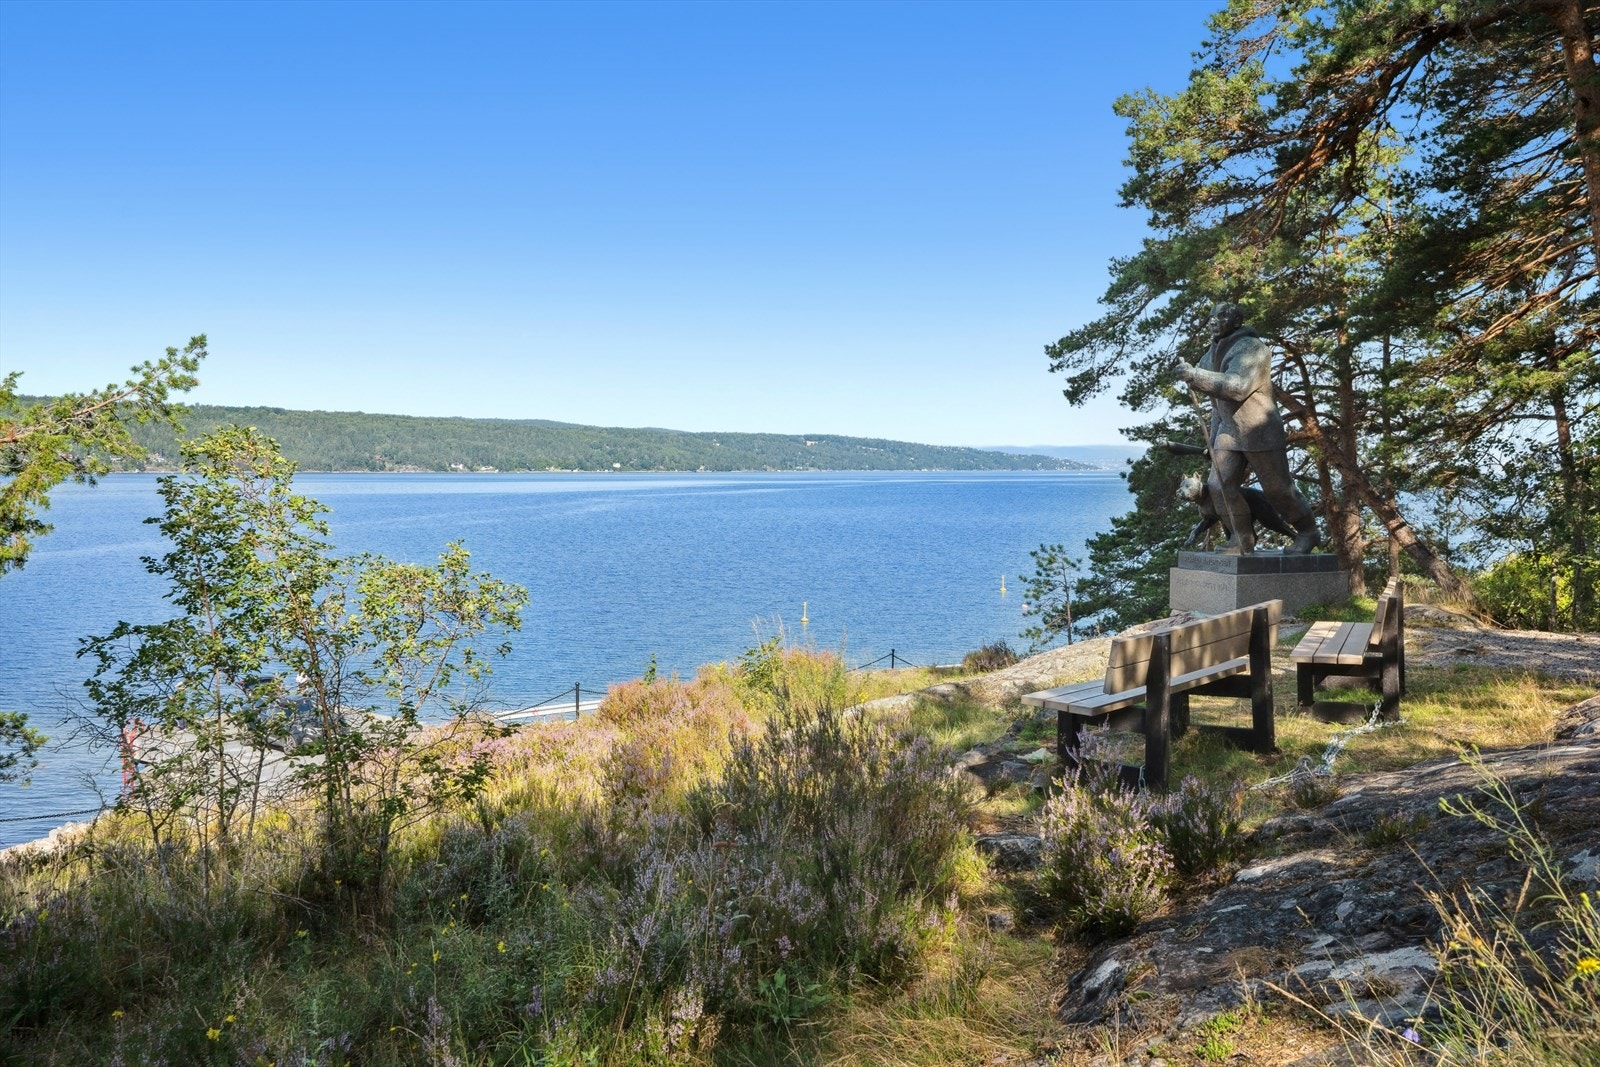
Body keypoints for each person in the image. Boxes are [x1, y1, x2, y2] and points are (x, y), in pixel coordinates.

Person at [1175, 303, 1319, 554]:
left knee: (1277, 489)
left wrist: (1196, 376)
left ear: (1236, 322)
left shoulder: (1253, 348)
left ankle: (1308, 532)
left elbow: (1238, 386)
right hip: (1228, 432)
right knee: (1219, 487)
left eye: (1221, 317)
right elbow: (1217, 405)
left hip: (1258, 427)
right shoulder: (1209, 356)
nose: (1213, 321)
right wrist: (1213, 437)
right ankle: (1242, 540)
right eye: (1211, 317)